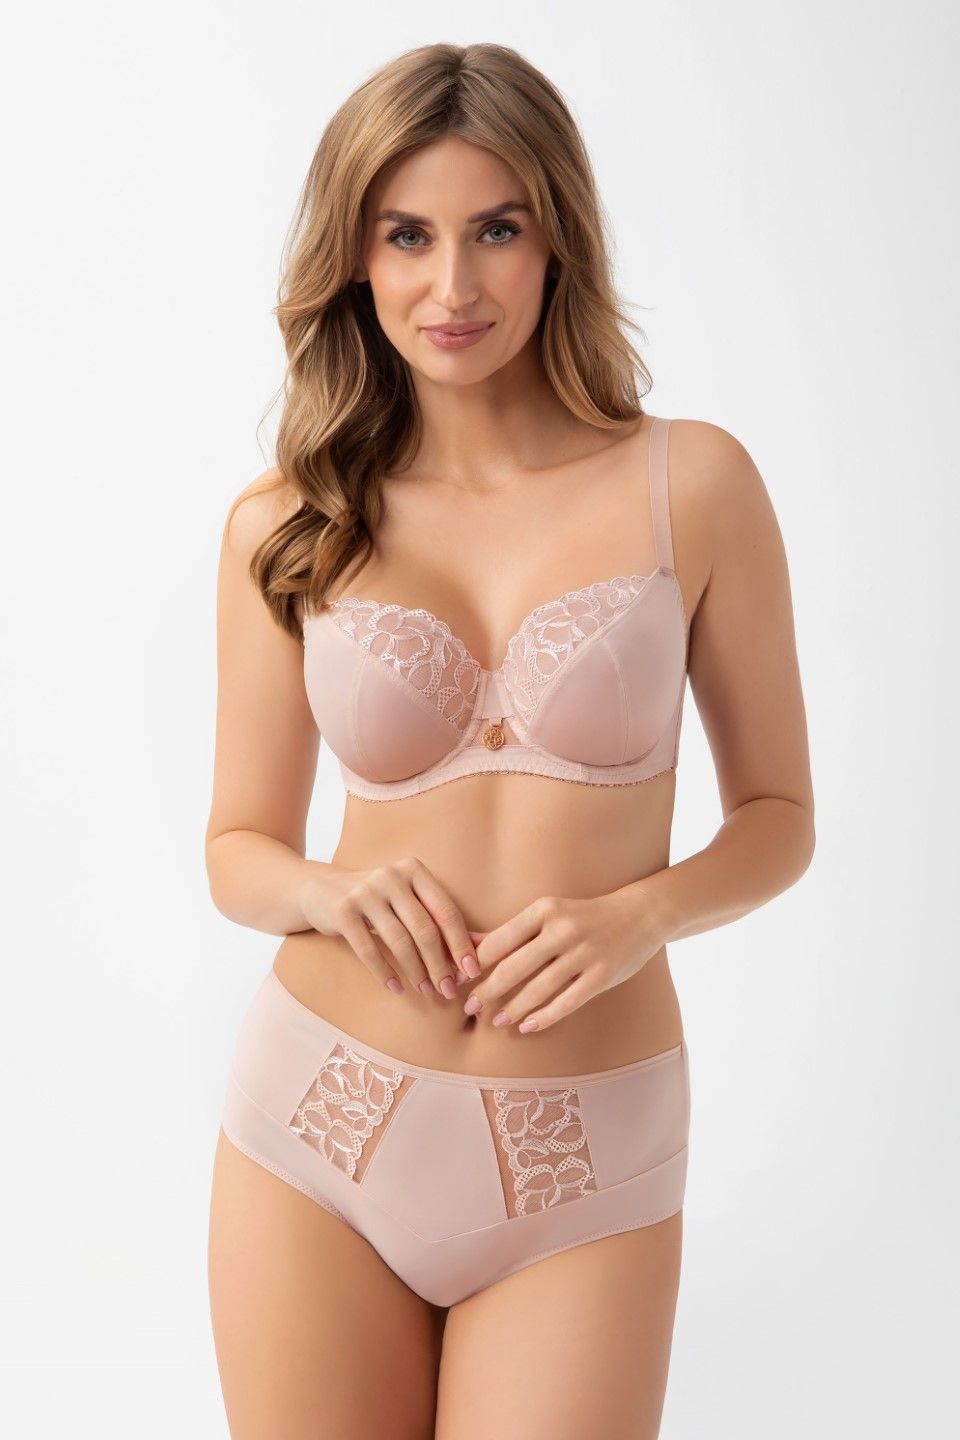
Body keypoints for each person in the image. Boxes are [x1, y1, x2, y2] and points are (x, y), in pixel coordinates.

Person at [205, 41, 815, 1440]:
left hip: (582, 1151)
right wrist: (327, 892)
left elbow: (780, 816)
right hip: (321, 1118)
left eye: (496, 229)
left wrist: (639, 915)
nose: (454, 287)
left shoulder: (693, 485)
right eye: (406, 236)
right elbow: (235, 846)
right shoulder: (287, 521)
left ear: (558, 240)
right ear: (356, 257)